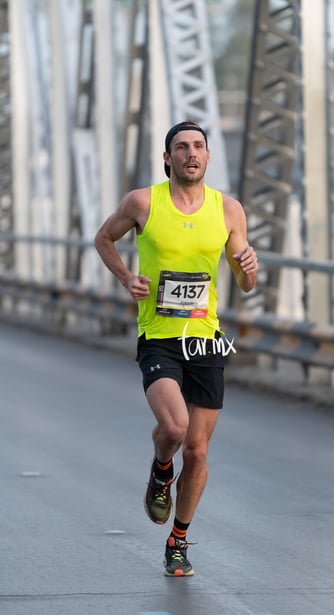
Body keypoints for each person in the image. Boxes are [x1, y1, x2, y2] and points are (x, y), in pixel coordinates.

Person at [94, 120, 258, 577]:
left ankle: (179, 542)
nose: (191, 153)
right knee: (174, 426)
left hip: (205, 338)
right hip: (159, 336)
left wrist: (248, 266)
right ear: (167, 158)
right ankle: (160, 471)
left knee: (200, 452)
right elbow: (103, 238)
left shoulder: (229, 210)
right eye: (181, 147)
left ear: (207, 156)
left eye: (199, 146)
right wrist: (128, 278)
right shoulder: (144, 202)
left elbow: (246, 284)